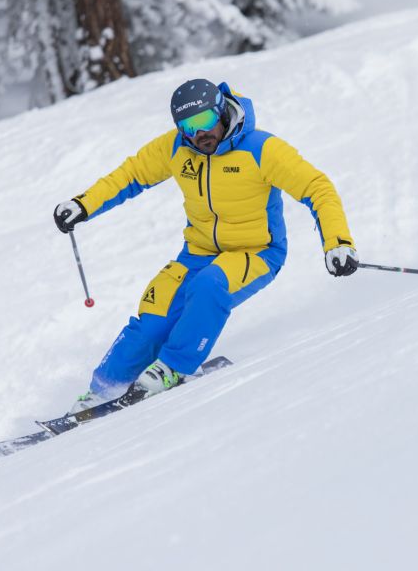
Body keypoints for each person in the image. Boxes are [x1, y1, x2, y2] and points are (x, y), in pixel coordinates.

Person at [53, 78, 357, 413]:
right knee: (152, 320)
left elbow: (317, 187)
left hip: (255, 252)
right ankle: (103, 389)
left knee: (209, 286)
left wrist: (337, 242)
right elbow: (131, 175)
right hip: (197, 253)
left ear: (221, 112)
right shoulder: (177, 148)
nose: (199, 134)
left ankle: (173, 367)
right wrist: (83, 204)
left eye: (204, 121)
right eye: (187, 125)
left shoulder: (261, 149)